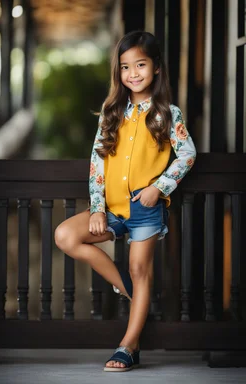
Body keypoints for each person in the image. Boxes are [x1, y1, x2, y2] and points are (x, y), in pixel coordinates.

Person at [54, 30, 196, 372]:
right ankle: (128, 288)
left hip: (146, 209)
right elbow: (97, 163)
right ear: (118, 72)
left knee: (141, 269)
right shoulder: (111, 112)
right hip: (112, 207)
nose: (133, 73)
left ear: (157, 68)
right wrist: (98, 208)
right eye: (125, 67)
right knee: (66, 236)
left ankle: (128, 346)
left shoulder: (167, 114)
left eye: (141, 65)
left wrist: (159, 187)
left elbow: (187, 153)